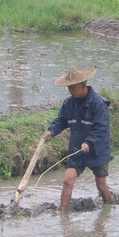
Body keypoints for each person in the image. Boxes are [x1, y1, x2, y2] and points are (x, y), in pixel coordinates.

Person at [43, 67, 113, 213]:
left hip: (97, 150)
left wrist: (89, 142)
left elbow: (101, 129)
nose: (71, 91)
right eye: (69, 88)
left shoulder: (98, 104)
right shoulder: (69, 103)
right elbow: (62, 120)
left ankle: (109, 208)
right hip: (77, 149)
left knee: (101, 185)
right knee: (67, 181)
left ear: (83, 85)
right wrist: (52, 131)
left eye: (73, 88)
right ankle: (62, 213)